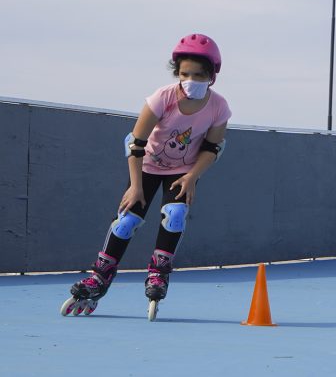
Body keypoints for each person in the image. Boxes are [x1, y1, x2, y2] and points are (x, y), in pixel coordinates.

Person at [61, 33, 232, 319]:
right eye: (185, 73)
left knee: (175, 213)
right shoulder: (162, 97)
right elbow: (135, 142)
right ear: (177, 72)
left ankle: (158, 274)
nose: (191, 79)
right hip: (146, 167)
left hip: (183, 171)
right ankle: (100, 277)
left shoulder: (218, 107)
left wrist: (192, 177)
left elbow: (213, 147)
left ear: (212, 75)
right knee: (127, 221)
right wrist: (135, 186)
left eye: (199, 74)